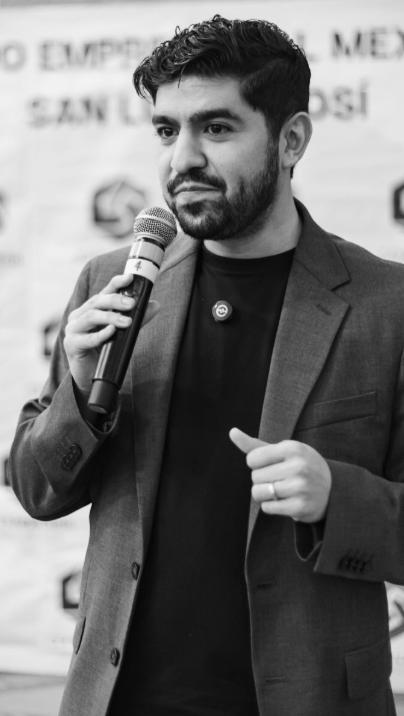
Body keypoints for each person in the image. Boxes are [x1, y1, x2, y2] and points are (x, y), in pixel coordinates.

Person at [7, 14, 403, 716]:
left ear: (291, 140)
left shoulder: (385, 304)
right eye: (167, 130)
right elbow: (38, 491)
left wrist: (336, 498)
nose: (181, 159)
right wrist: (81, 393)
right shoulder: (115, 280)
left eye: (216, 128)